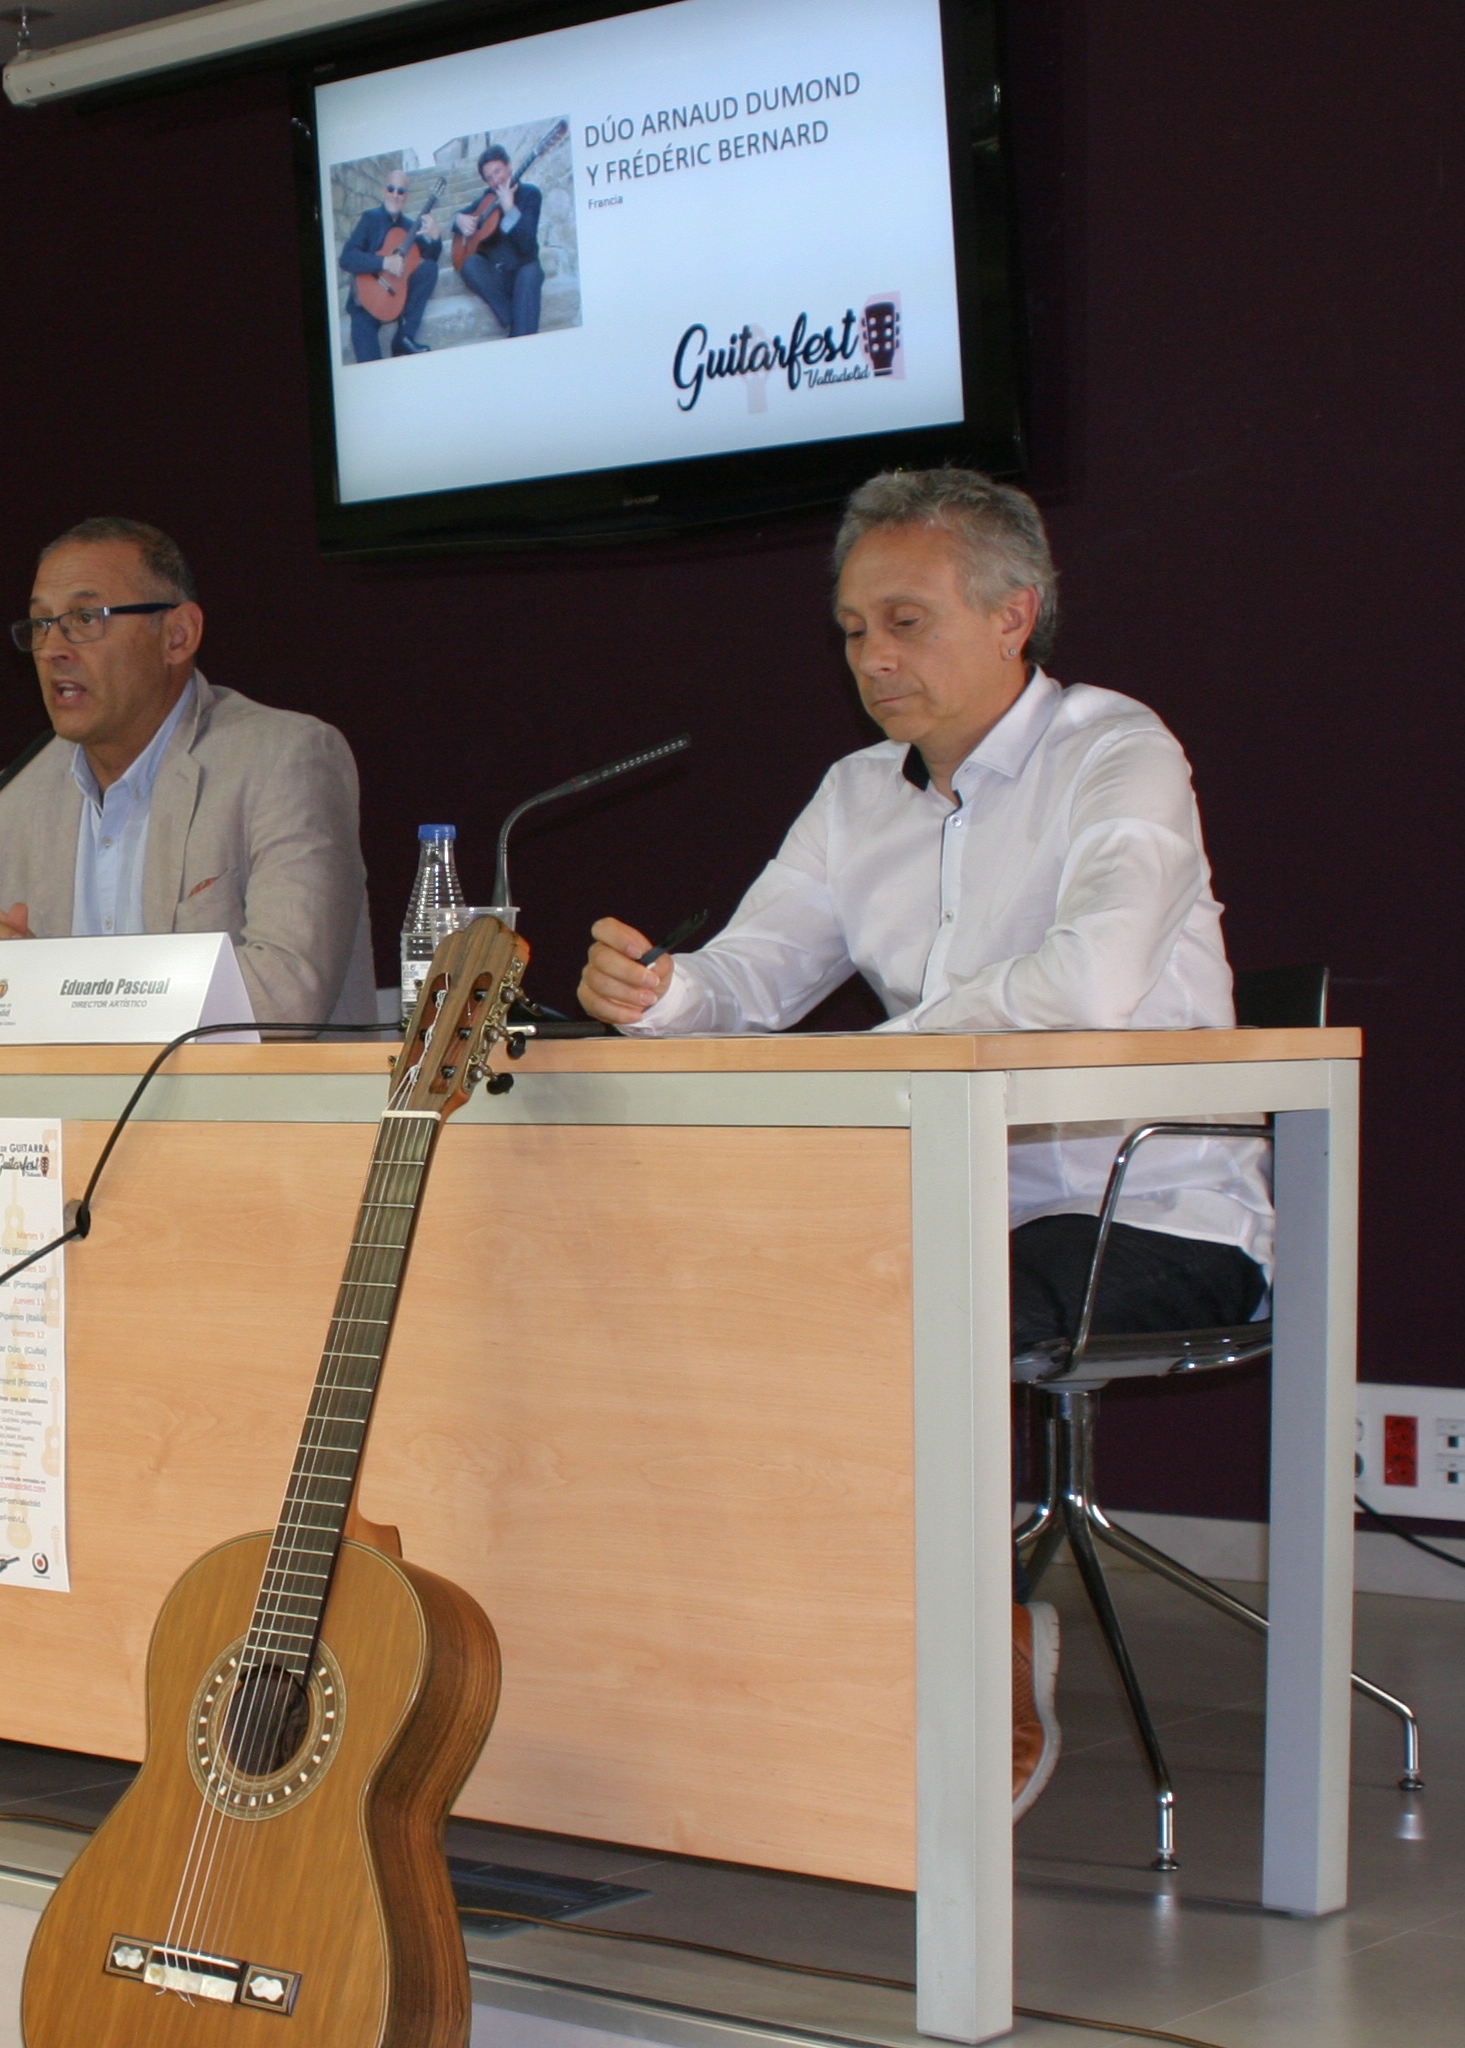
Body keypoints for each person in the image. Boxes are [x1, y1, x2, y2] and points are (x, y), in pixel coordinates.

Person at [575, 467, 1270, 1821]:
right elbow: (753, 976)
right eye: (852, 631)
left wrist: (881, 1046)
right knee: (725, 1295)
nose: (873, 659)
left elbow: (1089, 982)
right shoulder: (856, 795)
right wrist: (664, 994)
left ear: (1016, 613)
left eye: (906, 622)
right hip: (945, 1197)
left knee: (905, 1306)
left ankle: (978, 1648)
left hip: (1148, 1210)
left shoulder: (1118, 752)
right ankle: (793, 1664)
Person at [0, 518, 374, 1031]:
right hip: (62, 1089)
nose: (53, 648)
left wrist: (44, 985)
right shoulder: (15, 794)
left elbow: (286, 994)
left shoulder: (281, 759)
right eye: (41, 624)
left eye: (85, 617)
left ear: (177, 635)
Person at [337, 171, 446, 361]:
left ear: (407, 196)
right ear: (384, 191)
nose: (395, 195)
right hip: (366, 304)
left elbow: (431, 257)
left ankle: (403, 337)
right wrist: (385, 262)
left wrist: (436, 237)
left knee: (430, 268)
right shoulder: (370, 219)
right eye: (391, 189)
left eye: (401, 191)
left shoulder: (410, 227)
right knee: (369, 365)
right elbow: (347, 258)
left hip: (397, 298)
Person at [453, 143, 545, 339]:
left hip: (523, 270)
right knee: (469, 264)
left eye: (498, 171)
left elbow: (527, 245)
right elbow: (463, 216)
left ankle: (519, 332)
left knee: (531, 273)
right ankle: (512, 315)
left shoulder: (530, 195)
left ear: (509, 166)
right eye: (489, 177)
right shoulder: (488, 198)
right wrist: (459, 219)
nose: (495, 180)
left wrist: (510, 208)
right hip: (497, 277)